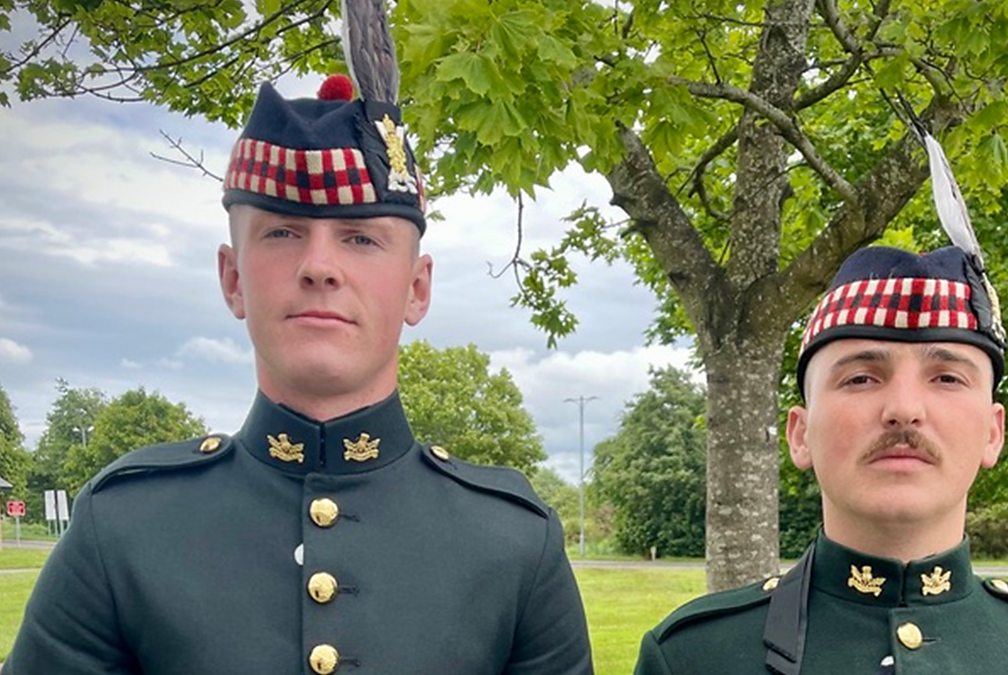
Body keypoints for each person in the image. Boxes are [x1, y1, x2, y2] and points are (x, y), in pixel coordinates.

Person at [3, 6, 592, 673]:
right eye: (282, 233)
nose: (319, 266)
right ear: (233, 279)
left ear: (417, 288)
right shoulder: (120, 530)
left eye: (361, 239)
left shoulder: (515, 543)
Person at [633, 242, 1008, 674]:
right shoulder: (692, 658)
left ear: (993, 433)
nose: (903, 410)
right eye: (860, 378)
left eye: (947, 378)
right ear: (800, 434)